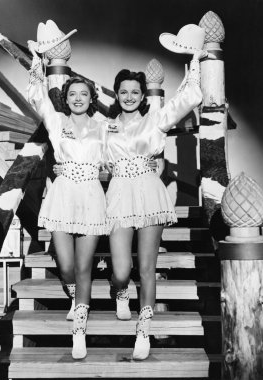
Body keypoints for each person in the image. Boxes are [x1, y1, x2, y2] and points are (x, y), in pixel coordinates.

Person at [105, 49, 206, 360]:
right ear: (117, 94)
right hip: (119, 194)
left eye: (135, 91)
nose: (129, 96)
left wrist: (196, 63)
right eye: (123, 91)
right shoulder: (105, 126)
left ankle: (143, 330)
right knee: (122, 269)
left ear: (142, 95)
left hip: (149, 195)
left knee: (147, 269)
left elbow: (186, 99)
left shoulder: (155, 120)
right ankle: (120, 289)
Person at [27, 45, 108, 360]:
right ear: (67, 98)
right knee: (66, 264)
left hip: (90, 196)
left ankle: (79, 333)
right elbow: (37, 96)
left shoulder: (103, 128)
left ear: (91, 99)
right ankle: (74, 292)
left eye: (83, 94)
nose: (77, 98)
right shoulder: (57, 122)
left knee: (85, 266)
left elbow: (124, 152)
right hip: (62, 197)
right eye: (72, 94)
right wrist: (38, 63)